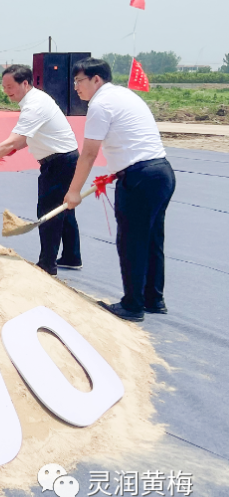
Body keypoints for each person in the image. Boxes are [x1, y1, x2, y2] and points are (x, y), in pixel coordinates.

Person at [64, 58, 175, 322]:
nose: (76, 87)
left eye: (79, 81)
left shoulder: (100, 104)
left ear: (96, 79)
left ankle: (133, 305)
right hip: (161, 173)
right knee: (151, 239)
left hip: (140, 178)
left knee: (132, 242)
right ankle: (153, 299)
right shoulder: (124, 95)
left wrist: (74, 192)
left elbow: (89, 153)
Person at [0, 64, 82, 277]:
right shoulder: (34, 99)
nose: (7, 91)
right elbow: (22, 141)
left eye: (10, 86)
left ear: (25, 83)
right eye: (4, 87)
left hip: (60, 162)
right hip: (63, 158)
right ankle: (71, 256)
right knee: (63, 208)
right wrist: (5, 152)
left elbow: (13, 141)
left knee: (49, 211)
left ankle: (47, 265)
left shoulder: (34, 105)